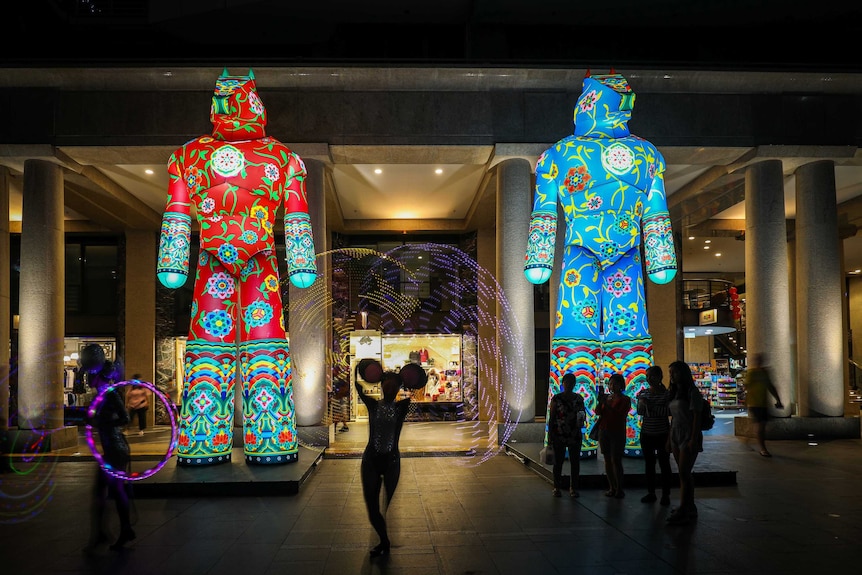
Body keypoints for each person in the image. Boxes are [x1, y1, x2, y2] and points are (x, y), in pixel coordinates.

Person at [524, 72, 677, 459]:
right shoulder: (565, 154)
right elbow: (544, 210)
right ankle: (611, 433)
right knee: (591, 332)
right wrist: (661, 259)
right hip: (594, 251)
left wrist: (539, 260)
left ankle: (612, 433)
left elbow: (657, 210)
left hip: (602, 252)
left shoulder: (638, 153)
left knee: (619, 332)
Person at [81, 344, 135, 552]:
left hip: (116, 449)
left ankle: (117, 531)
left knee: (112, 489)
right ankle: (107, 532)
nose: (88, 380)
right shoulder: (99, 397)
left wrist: (102, 423)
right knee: (103, 491)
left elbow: (125, 418)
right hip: (109, 450)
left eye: (91, 375)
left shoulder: (110, 394)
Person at [355, 360, 412, 558]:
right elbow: (358, 387)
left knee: (387, 505)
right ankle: (384, 540)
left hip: (392, 461)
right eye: (385, 383)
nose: (389, 387)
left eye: (393, 385)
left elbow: (416, 382)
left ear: (398, 388)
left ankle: (384, 541)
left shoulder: (402, 407)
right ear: (380, 385)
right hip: (370, 459)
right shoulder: (372, 405)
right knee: (372, 507)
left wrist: (407, 378)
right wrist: (360, 370)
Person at [665, 360, 704, 525]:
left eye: (674, 372)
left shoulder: (692, 392)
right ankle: (689, 506)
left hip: (688, 434)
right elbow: (673, 418)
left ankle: (683, 508)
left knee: (683, 472)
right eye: (670, 373)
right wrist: (669, 438)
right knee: (684, 473)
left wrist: (693, 438)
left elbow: (697, 416)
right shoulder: (674, 392)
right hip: (675, 433)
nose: (671, 376)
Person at [636, 365, 672, 506]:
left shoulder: (666, 394)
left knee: (664, 464)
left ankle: (665, 494)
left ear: (660, 377)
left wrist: (651, 407)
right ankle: (651, 492)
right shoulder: (644, 393)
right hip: (647, 433)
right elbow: (640, 412)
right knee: (649, 465)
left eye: (652, 376)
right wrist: (642, 405)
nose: (649, 379)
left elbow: (668, 412)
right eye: (647, 376)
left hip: (662, 434)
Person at [547, 373, 586, 498]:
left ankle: (573, 487)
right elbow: (552, 417)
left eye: (571, 382)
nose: (569, 385)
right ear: (563, 383)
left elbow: (582, 414)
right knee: (558, 462)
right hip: (559, 433)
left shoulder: (579, 398)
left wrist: (581, 425)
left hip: (574, 434)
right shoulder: (557, 398)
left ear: (574, 384)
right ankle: (556, 487)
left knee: (575, 462)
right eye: (567, 382)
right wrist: (550, 434)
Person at [595, 373, 631, 498]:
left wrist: (607, 404)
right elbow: (598, 412)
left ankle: (619, 488)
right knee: (607, 460)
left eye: (615, 383)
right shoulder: (607, 398)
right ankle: (612, 487)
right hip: (603, 430)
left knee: (616, 460)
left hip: (617, 431)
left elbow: (620, 414)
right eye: (610, 384)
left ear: (621, 385)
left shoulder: (625, 399)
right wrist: (600, 402)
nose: (612, 386)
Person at [744, 352, 783, 457]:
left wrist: (778, 400)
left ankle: (747, 439)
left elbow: (771, 387)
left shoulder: (765, 372)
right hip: (754, 403)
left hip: (762, 403)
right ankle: (763, 449)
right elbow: (746, 387)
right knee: (760, 426)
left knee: (758, 425)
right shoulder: (752, 373)